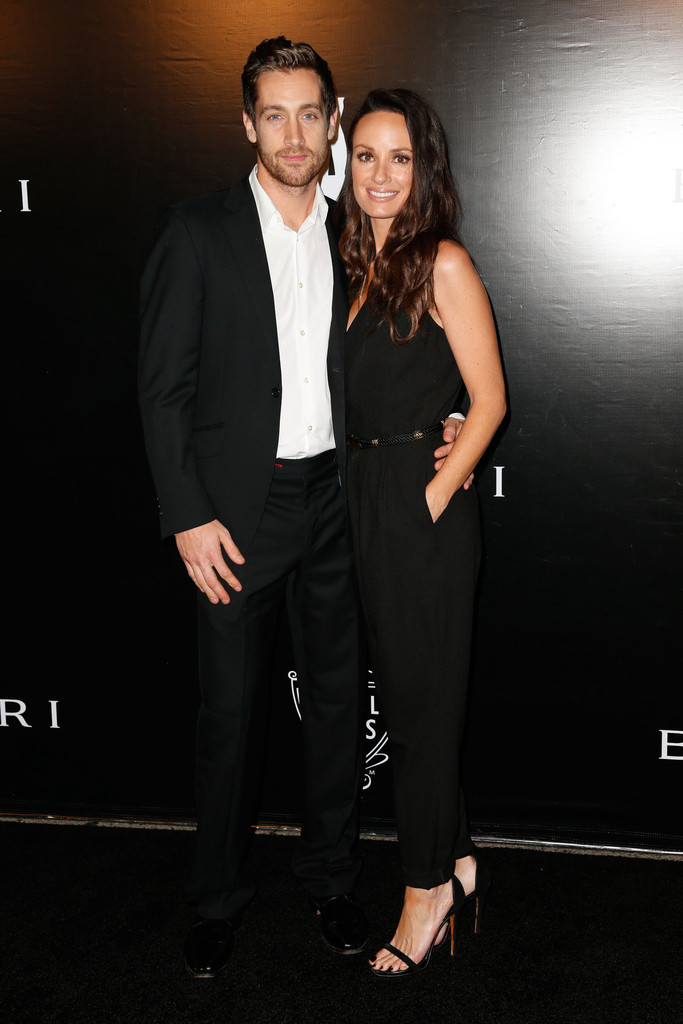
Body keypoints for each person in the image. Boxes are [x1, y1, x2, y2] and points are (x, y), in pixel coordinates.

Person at [138, 39, 460, 979]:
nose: (292, 134)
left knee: (335, 704)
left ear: (332, 121)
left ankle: (329, 878)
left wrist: (445, 416)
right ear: (247, 124)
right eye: (272, 114)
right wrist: (186, 513)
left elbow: (407, 342)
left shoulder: (355, 232)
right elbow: (162, 390)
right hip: (237, 514)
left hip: (339, 500)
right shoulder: (196, 231)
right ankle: (215, 897)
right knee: (229, 715)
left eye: (309, 114)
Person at [338, 88, 506, 976]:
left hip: (416, 506)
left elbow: (489, 400)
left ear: (424, 167)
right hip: (359, 496)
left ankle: (424, 891)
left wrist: (430, 496)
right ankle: (461, 857)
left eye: (399, 157)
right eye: (365, 155)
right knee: (415, 700)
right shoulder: (348, 264)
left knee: (418, 713)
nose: (380, 174)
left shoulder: (441, 260)